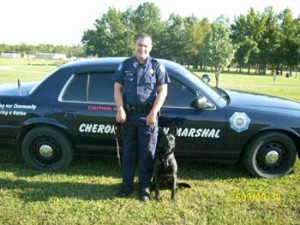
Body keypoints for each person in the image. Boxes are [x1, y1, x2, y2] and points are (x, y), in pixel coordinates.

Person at [112, 33, 170, 202]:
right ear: (135, 46)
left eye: (145, 46)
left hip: (148, 118)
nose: (142, 49)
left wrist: (153, 112)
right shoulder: (125, 65)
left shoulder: (158, 66)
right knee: (129, 153)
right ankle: (127, 185)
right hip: (128, 117)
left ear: (150, 47)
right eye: (139, 45)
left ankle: (144, 187)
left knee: (147, 154)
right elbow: (117, 88)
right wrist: (120, 109)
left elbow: (163, 91)